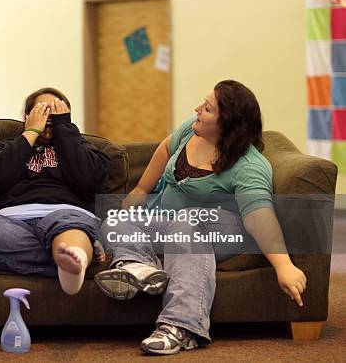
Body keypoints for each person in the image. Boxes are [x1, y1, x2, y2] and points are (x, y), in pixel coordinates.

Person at [94, 80, 307, 355]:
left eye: (207, 108)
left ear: (227, 124)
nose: (197, 109)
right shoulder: (191, 130)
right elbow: (165, 148)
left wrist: (284, 266)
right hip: (171, 224)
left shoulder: (249, 167)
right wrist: (141, 189)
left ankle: (182, 326)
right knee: (114, 220)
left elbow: (259, 219)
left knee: (185, 221)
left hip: (220, 229)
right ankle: (138, 267)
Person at [0, 87, 111, 295]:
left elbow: (90, 182)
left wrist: (64, 130)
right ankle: (78, 257)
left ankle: (74, 252)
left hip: (65, 214)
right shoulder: (2, 147)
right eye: (42, 110)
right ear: (27, 116)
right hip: (9, 221)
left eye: (56, 111)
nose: (49, 116)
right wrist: (30, 134)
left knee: (67, 224)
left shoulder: (82, 148)